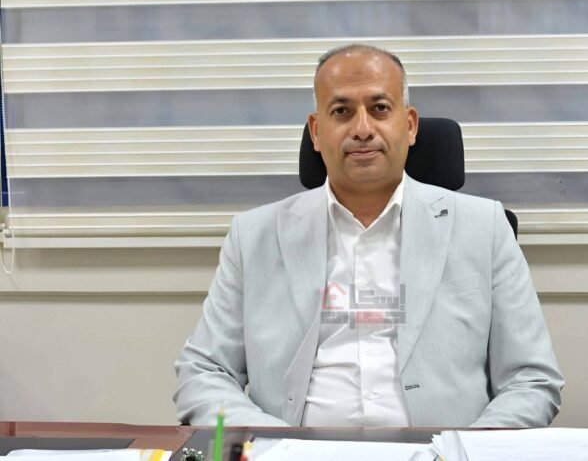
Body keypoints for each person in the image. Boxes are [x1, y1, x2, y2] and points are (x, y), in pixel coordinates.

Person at [174, 44, 564, 428]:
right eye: (341, 112)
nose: (362, 130)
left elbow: (531, 379)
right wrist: (271, 445)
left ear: (409, 125)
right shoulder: (254, 236)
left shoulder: (484, 227)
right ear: (316, 131)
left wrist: (464, 451)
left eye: (379, 109)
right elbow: (204, 371)